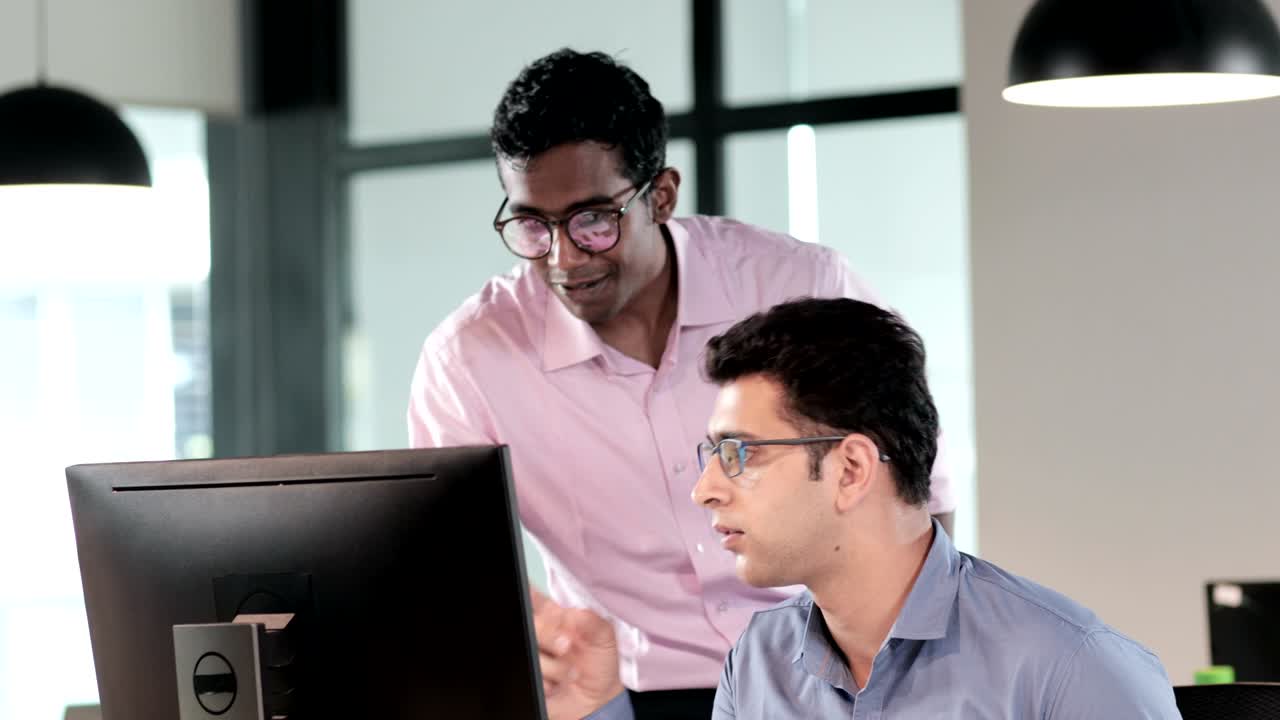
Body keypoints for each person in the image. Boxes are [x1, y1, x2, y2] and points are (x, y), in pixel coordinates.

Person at [407, 49, 957, 718]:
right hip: (623, 697)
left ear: (661, 194)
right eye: (532, 225)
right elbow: (450, 560)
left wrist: (912, 675)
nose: (563, 257)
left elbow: (918, 492)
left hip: (828, 677)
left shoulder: (797, 287)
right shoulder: (470, 359)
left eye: (593, 221)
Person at [533, 297, 1181, 719]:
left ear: (850, 470)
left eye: (740, 454)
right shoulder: (759, 661)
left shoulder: (1070, 668)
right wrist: (600, 709)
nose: (705, 487)